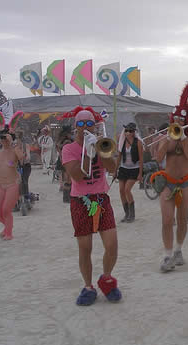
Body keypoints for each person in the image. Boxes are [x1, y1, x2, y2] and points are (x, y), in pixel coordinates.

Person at [62, 107, 121, 306]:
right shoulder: (68, 149)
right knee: (85, 248)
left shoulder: (100, 144)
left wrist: (100, 150)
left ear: (95, 126)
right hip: (81, 201)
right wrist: (87, 152)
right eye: (81, 124)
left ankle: (106, 279)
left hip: (101, 199)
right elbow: (77, 176)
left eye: (89, 124)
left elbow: (113, 169)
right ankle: (88, 287)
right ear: (75, 126)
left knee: (112, 245)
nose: (85, 127)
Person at [153, 82, 188, 272]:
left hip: (186, 183)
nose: (179, 123)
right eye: (176, 119)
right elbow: (158, 158)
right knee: (166, 220)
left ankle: (178, 250)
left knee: (182, 219)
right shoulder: (166, 136)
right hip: (168, 183)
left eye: (182, 120)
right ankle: (167, 255)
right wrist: (167, 139)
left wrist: (181, 138)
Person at [0, 109, 23, 240]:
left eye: (5, 137)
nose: (3, 140)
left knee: (5, 210)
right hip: (1, 185)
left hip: (12, 185)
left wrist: (13, 143)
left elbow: (22, 159)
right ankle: (7, 227)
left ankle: (9, 233)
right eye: (1, 137)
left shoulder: (15, 150)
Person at [116, 122, 143, 223]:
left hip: (134, 169)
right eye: (126, 130)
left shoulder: (138, 142)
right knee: (121, 191)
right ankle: (127, 213)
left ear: (134, 132)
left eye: (130, 131)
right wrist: (115, 170)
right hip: (123, 168)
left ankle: (132, 214)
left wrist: (140, 174)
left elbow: (141, 159)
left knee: (127, 189)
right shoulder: (122, 141)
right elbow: (119, 156)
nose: (128, 133)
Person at [56, 124, 73, 203]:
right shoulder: (66, 140)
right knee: (68, 179)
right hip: (67, 160)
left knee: (67, 179)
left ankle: (66, 197)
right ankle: (68, 197)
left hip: (63, 160)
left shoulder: (61, 139)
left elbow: (58, 147)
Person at [15, 129, 32, 207]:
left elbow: (28, 157)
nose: (17, 140)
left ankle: (26, 198)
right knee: (17, 183)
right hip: (17, 166)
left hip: (25, 166)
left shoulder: (26, 145)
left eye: (19, 137)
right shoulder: (14, 145)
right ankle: (17, 200)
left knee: (24, 181)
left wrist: (23, 158)